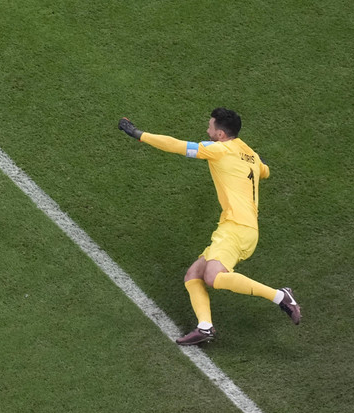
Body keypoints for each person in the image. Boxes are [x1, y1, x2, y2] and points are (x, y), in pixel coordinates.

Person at [118, 108, 301, 345]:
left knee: (213, 277)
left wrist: (138, 134)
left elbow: (177, 145)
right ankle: (205, 327)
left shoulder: (218, 149)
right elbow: (264, 171)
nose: (207, 130)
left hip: (234, 228)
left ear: (221, 134)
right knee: (193, 275)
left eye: (210, 126)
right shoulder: (250, 154)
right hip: (247, 229)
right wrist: (256, 162)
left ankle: (280, 296)